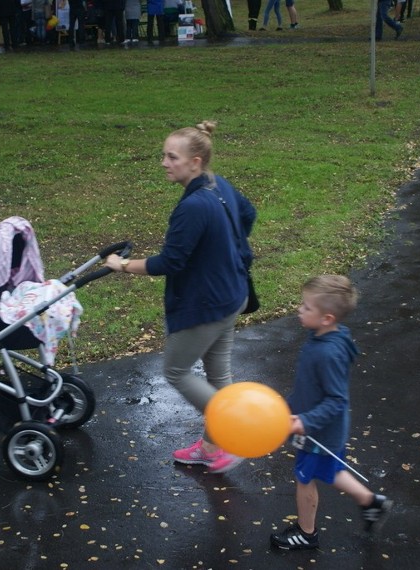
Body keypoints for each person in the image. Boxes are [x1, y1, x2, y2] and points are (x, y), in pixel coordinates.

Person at [104, 121, 257, 475]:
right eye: (164, 155)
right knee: (219, 375)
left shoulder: (193, 207)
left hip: (207, 304)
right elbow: (248, 215)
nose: (164, 162)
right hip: (232, 293)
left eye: (171, 157)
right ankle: (211, 447)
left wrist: (122, 265)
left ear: (195, 162)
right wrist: (223, 250)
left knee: (176, 370)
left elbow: (169, 262)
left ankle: (234, 434)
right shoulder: (220, 185)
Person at [270, 275, 393, 551]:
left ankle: (306, 533)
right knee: (330, 469)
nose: (299, 310)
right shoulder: (326, 336)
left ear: (326, 318)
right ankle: (371, 501)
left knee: (305, 478)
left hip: (318, 432)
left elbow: (336, 399)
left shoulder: (328, 353)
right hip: (321, 428)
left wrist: (306, 420)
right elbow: (312, 387)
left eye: (306, 307)